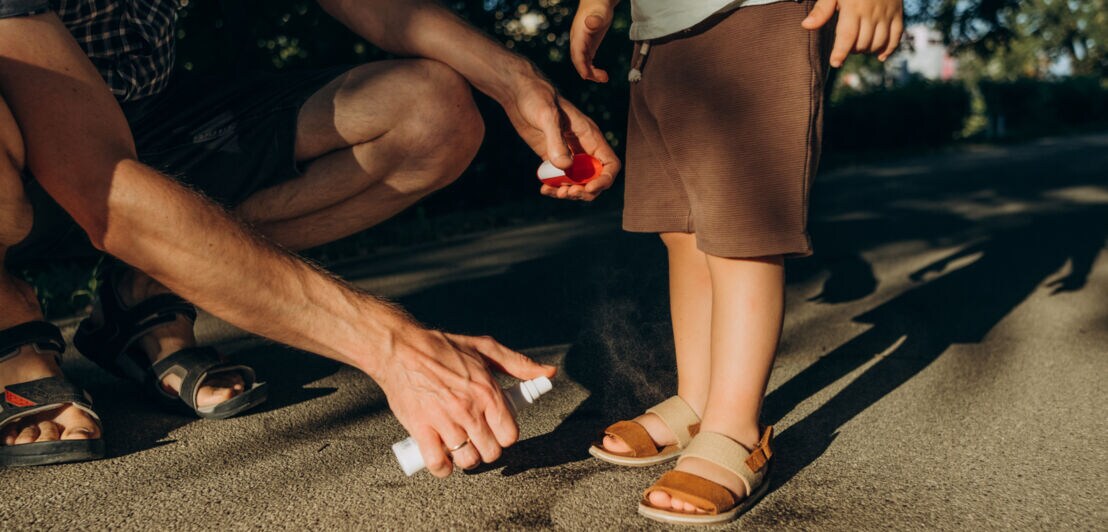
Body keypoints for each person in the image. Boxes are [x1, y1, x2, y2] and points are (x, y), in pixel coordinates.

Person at [0, 0, 619, 474]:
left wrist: (516, 82)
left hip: (141, 117)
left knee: (432, 114)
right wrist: (392, 346)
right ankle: (9, 319)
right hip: (42, 155)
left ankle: (144, 294)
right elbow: (104, 190)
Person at [570, 0, 902, 524]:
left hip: (755, 13)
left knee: (742, 233)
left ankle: (734, 429)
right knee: (681, 228)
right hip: (657, 34)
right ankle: (697, 401)